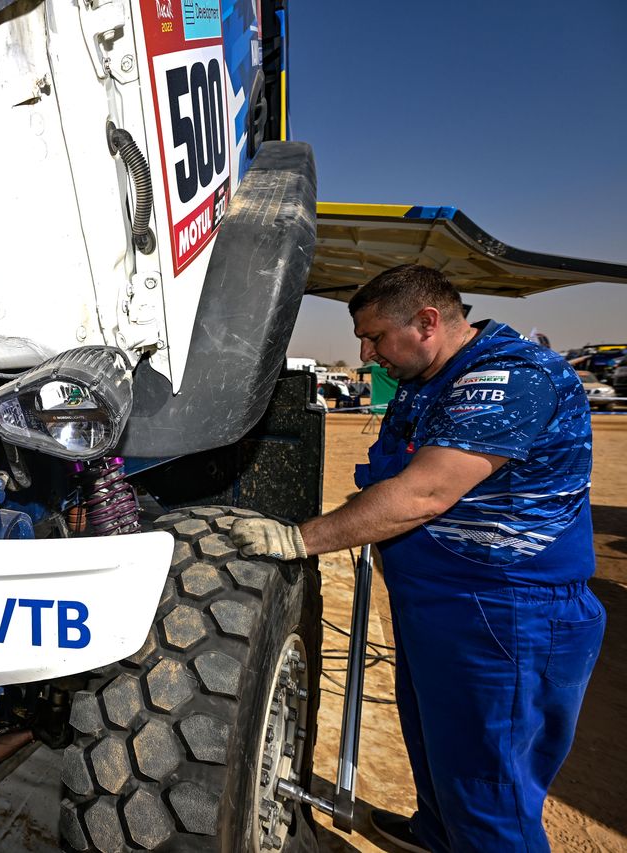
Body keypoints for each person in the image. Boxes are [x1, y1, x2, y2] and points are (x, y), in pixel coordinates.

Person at [231, 264, 604, 852]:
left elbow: (423, 493)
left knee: (490, 791)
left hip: (506, 615)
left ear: (427, 322)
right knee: (440, 752)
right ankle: (436, 835)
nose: (365, 351)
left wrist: (299, 540)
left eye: (375, 336)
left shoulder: (509, 376)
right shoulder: (426, 379)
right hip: (444, 607)